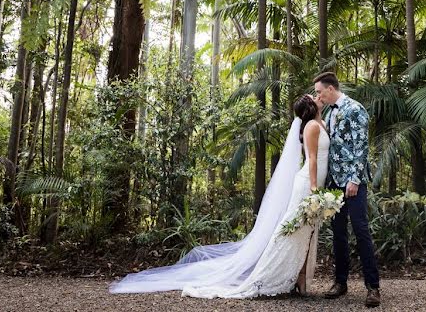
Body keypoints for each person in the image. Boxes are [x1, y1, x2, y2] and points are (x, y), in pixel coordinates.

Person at [109, 94, 329, 299]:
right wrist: (313, 189)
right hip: (308, 186)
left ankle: (297, 278)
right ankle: (271, 275)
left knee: (304, 233)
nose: (318, 97)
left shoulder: (320, 123)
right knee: (292, 232)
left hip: (315, 184)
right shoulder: (310, 126)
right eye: (314, 96)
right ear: (310, 107)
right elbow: (311, 160)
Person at [315, 71, 381, 308]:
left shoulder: (355, 109)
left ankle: (373, 287)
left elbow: (361, 146)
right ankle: (340, 282)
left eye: (319, 91)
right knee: (339, 233)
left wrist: (354, 179)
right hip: (334, 182)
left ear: (330, 89)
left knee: (361, 231)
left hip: (353, 183)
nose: (318, 95)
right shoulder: (330, 111)